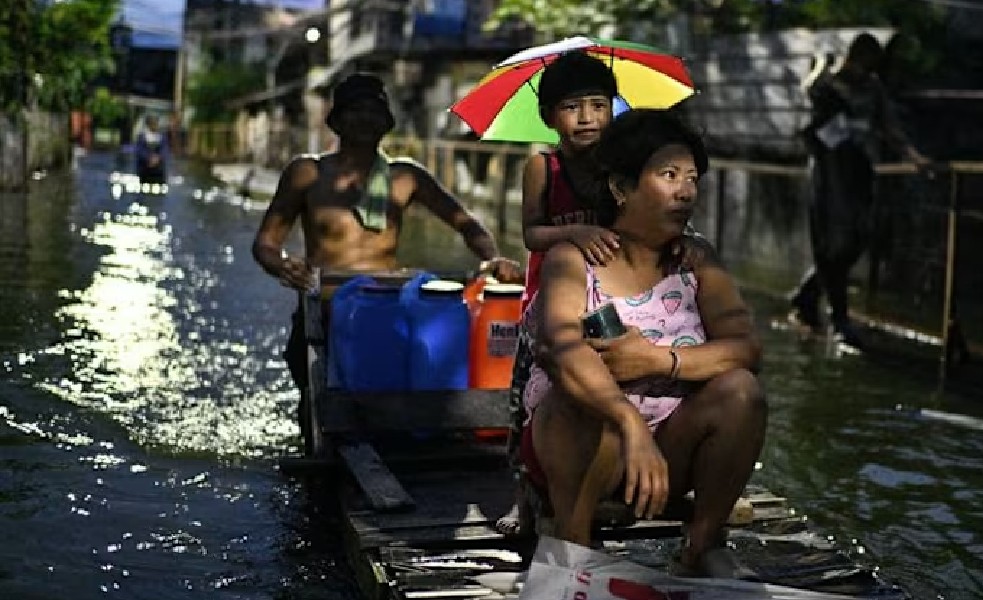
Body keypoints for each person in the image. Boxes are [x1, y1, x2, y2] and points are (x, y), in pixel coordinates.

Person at [522, 109, 766, 577]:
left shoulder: (697, 260)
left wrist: (658, 360)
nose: (686, 192)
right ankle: (573, 546)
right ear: (620, 188)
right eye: (669, 175)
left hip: (669, 452)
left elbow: (745, 348)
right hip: (582, 449)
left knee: (741, 392)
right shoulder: (572, 258)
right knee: (576, 400)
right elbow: (559, 348)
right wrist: (628, 421)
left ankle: (702, 545)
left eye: (692, 178)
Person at [251, 73, 520, 452]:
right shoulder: (308, 172)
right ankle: (316, 453)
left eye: (374, 111)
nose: (365, 119)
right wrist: (282, 265)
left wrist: (493, 258)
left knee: (391, 405)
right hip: (324, 309)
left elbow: (466, 223)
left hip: (381, 312)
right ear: (337, 120)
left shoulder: (404, 177)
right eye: (355, 110)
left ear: (386, 121)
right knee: (314, 401)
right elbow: (264, 243)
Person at [497, 49, 621, 536]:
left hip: (608, 296)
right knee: (525, 397)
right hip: (547, 300)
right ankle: (523, 500)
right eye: (573, 107)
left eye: (598, 104)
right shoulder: (542, 167)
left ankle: (599, 479)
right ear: (550, 116)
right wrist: (575, 234)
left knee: (604, 383)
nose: (587, 117)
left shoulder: (620, 168)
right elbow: (531, 234)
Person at [790, 33, 931, 348]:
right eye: (863, 61)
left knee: (859, 237)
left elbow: (888, 127)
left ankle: (809, 293)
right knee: (830, 243)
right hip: (829, 173)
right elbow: (809, 111)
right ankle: (838, 317)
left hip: (860, 171)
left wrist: (912, 155)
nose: (866, 69)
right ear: (852, 57)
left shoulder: (873, 88)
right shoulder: (825, 84)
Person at [134, 114, 169, 185]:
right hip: (145, 168)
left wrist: (158, 158)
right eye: (153, 123)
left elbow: (164, 150)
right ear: (148, 124)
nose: (155, 125)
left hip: (158, 169)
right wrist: (148, 158)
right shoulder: (142, 136)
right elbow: (139, 151)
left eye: (156, 123)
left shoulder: (162, 137)